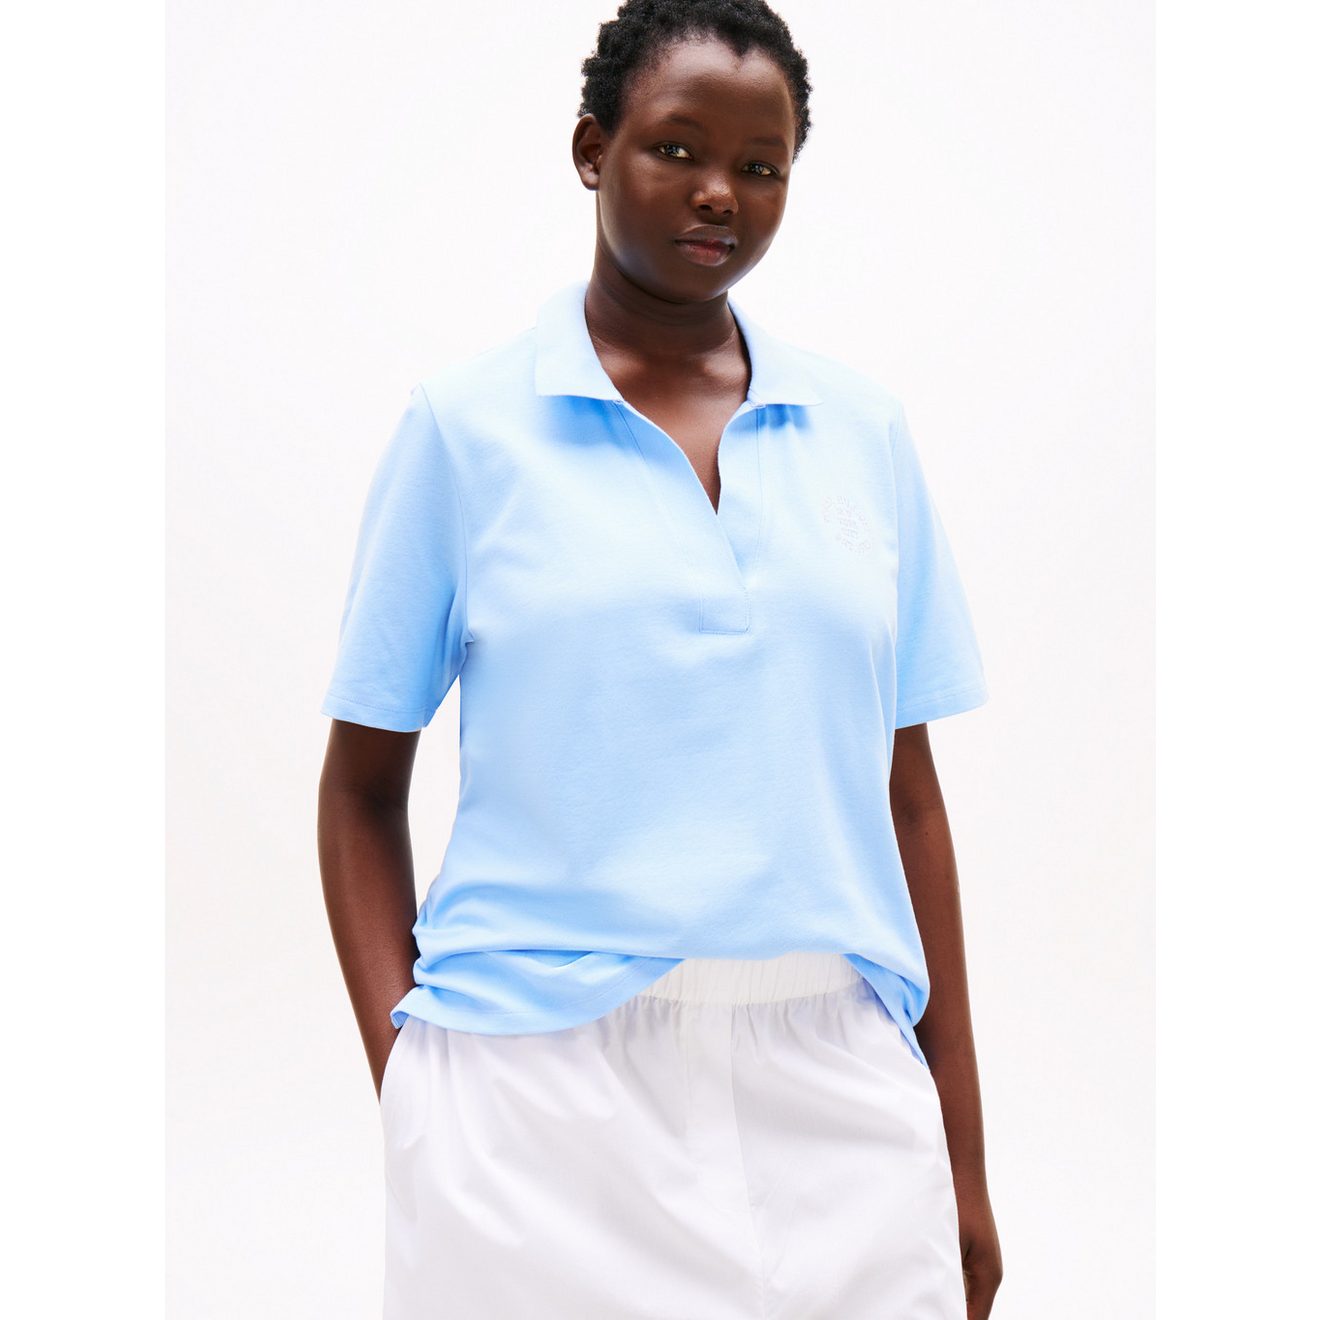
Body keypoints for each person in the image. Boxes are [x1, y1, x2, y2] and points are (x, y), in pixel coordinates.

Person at [317, 1, 1003, 1315]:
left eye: (761, 165)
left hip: (834, 1086)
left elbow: (907, 799)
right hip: (531, 1096)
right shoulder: (465, 431)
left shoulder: (862, 432)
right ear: (593, 149)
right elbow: (360, 788)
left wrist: (962, 1160)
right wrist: (410, 1092)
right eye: (677, 149)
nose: (719, 193)